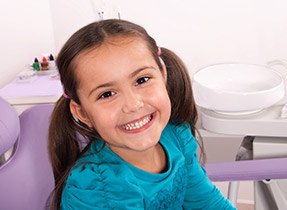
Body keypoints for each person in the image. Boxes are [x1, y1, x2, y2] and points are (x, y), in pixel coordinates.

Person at [48, 19, 236, 210]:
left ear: (163, 74)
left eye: (142, 80)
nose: (133, 104)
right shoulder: (98, 189)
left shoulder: (178, 136)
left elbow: (207, 203)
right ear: (83, 113)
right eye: (107, 94)